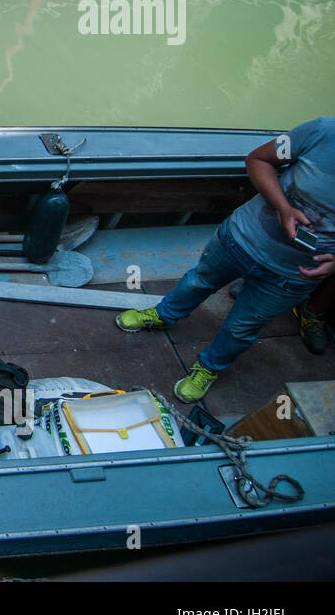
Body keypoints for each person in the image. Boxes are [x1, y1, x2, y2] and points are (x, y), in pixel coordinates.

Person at [116, 117, 335, 402]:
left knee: (242, 327)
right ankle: (163, 315)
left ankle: (208, 368)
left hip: (295, 273)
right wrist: (283, 207)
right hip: (240, 238)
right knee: (198, 281)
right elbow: (258, 160)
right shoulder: (323, 132)